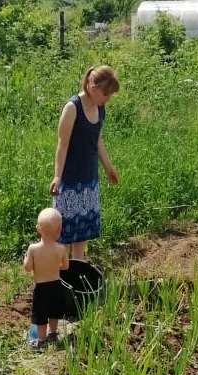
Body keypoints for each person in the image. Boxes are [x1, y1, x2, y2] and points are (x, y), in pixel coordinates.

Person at [49, 65, 120, 260]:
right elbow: (62, 145)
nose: (108, 99)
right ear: (92, 87)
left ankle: (78, 265)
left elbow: (97, 140)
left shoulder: (100, 108)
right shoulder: (73, 108)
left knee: (83, 230)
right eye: (106, 94)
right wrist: (57, 176)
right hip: (70, 180)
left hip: (89, 178)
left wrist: (109, 168)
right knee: (65, 231)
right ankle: (63, 272)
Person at [23, 207, 69, 348]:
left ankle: (41, 340)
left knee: (41, 315)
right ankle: (53, 333)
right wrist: (56, 266)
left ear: (38, 228)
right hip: (56, 286)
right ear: (59, 230)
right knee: (54, 312)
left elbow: (28, 268)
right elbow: (66, 266)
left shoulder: (33, 249)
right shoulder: (61, 249)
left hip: (41, 288)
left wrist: (25, 258)